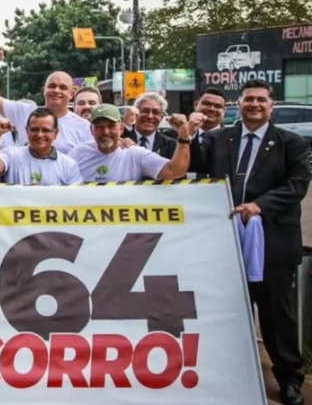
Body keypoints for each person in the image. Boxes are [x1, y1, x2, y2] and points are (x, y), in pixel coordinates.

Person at [191, 79, 311, 405]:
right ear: (238, 105)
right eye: (248, 100)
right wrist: (187, 133)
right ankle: (223, 373)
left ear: (272, 105)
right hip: (223, 243)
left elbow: (297, 185)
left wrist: (261, 205)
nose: (254, 104)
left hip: (272, 242)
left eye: (261, 100)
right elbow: (193, 167)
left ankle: (288, 378)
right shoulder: (218, 139)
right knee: (222, 311)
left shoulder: (292, 143)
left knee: (276, 315)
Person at [0, 46, 91, 152]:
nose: (56, 91)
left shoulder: (84, 127)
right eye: (52, 86)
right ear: (44, 90)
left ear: (71, 94)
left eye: (63, 87)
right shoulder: (25, 112)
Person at [70, 104, 193, 182]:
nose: (106, 132)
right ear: (91, 130)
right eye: (99, 127)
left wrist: (183, 137)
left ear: (121, 129)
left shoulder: (135, 154)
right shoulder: (78, 153)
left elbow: (175, 171)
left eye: (111, 126)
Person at [0, 107, 84, 185]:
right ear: (27, 130)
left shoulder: (68, 165)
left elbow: (76, 200)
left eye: (46, 130)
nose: (39, 135)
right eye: (34, 129)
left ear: (55, 133)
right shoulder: (12, 155)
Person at [187, 88, 228, 179]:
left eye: (218, 106)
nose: (211, 109)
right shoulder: (174, 135)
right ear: (196, 105)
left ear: (224, 111)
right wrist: (189, 135)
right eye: (206, 104)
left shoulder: (233, 139)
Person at [123, 92, 176, 158]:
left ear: (161, 117)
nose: (150, 116)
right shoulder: (121, 140)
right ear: (136, 114)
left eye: (155, 112)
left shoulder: (171, 145)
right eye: (145, 111)